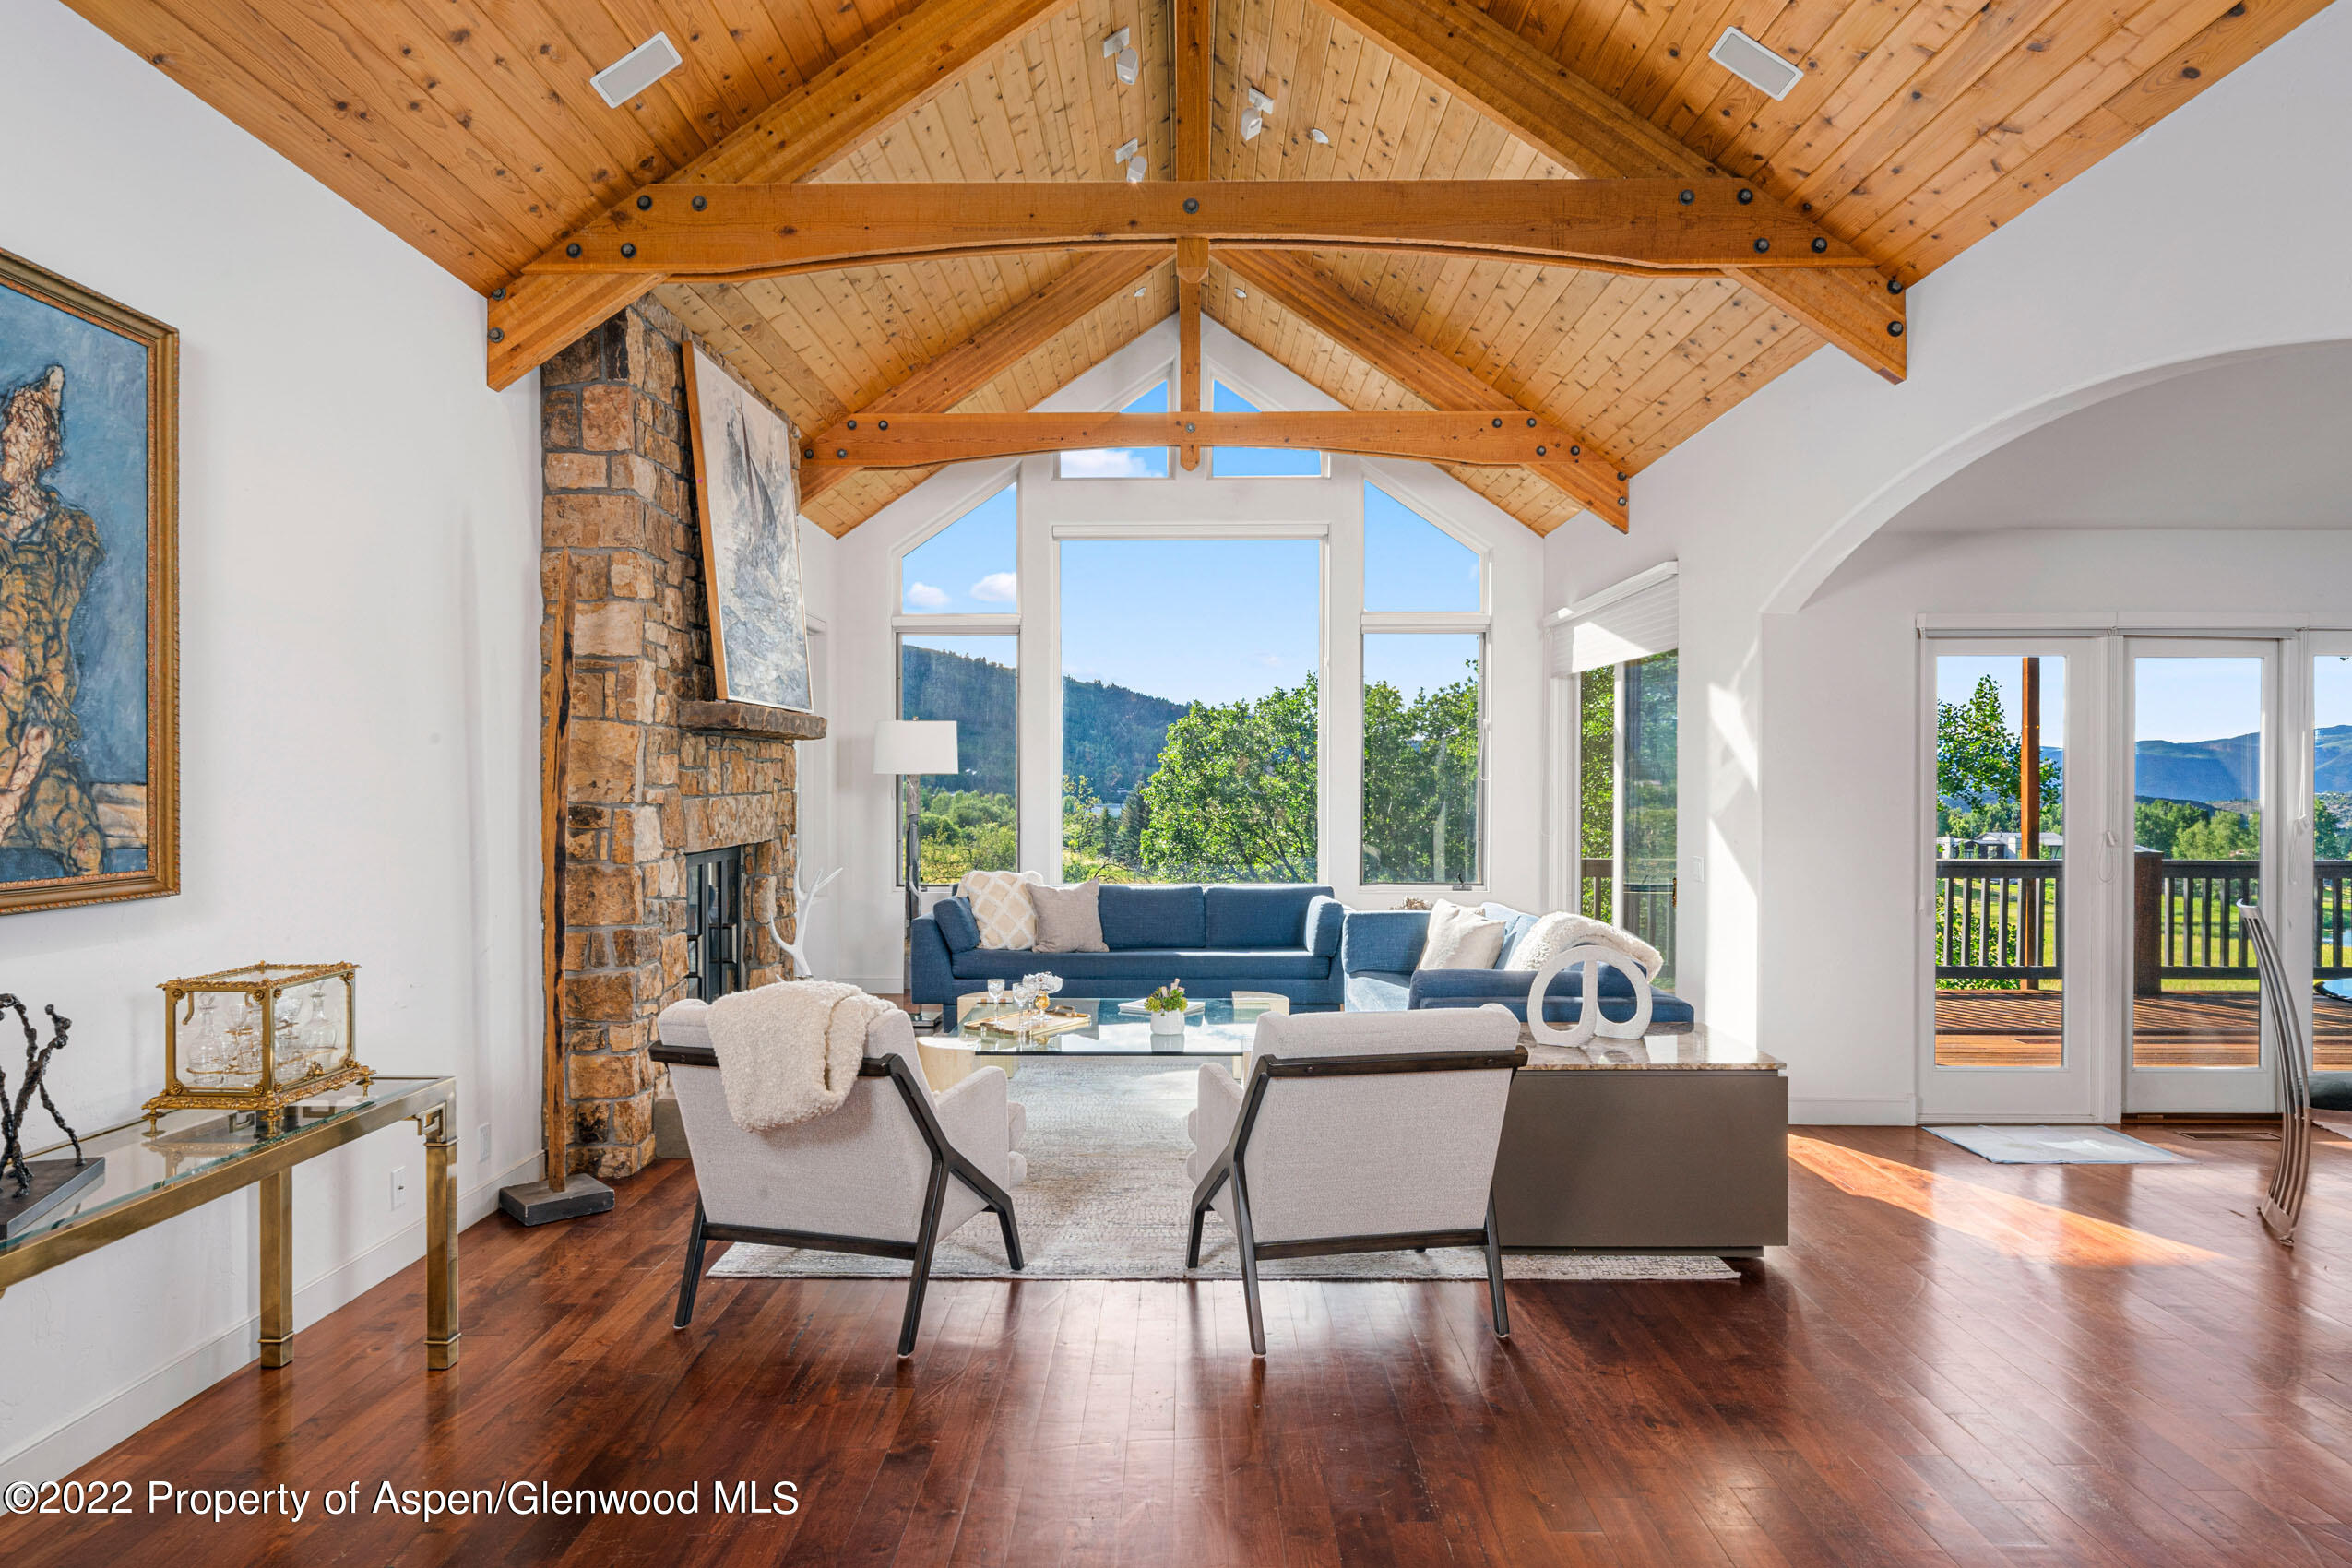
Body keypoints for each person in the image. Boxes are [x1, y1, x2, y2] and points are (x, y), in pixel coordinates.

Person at [0, 365, 107, 878]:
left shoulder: (67, 533)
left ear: (46, 450)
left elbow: (56, 650)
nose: (5, 437)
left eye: (20, 428)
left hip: (34, 732)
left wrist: (22, 773)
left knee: (85, 844)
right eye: (5, 424)